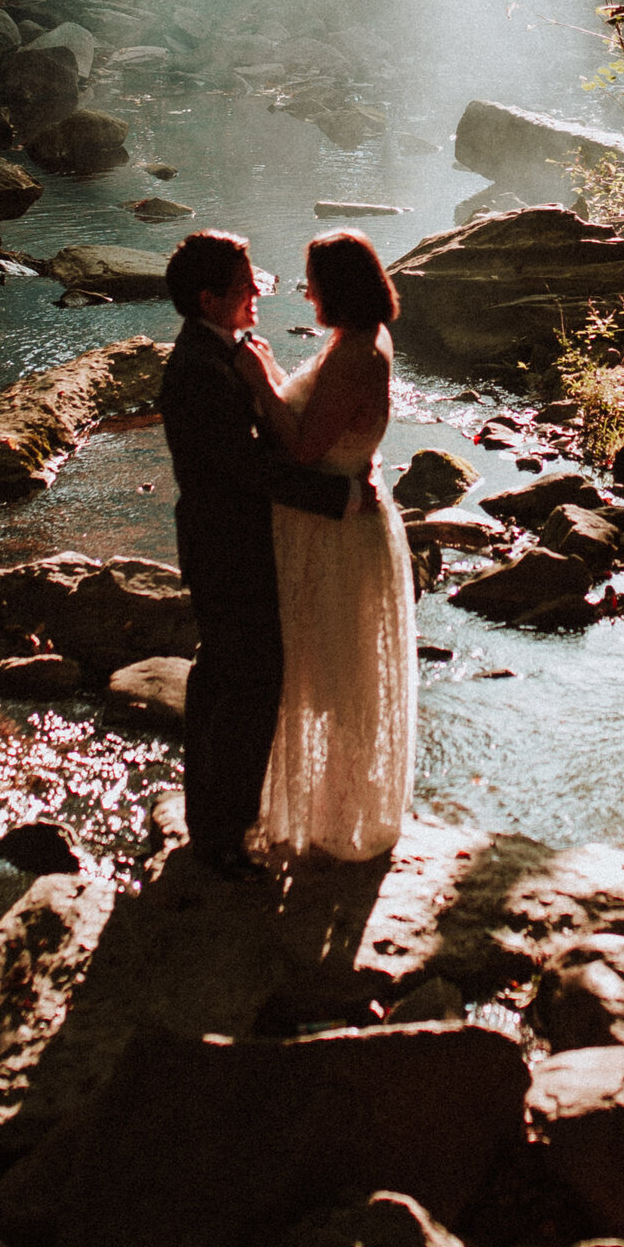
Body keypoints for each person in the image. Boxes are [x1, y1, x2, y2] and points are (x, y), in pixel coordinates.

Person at [158, 229, 356, 877]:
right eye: (247, 287)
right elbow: (248, 467)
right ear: (211, 299)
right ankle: (223, 836)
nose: (258, 294)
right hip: (226, 547)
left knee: (225, 678)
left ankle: (211, 823)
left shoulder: (221, 352)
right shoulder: (197, 370)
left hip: (229, 541)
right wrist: (340, 495)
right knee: (247, 685)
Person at [233, 227, 417, 864]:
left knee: (329, 674)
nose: (303, 288)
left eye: (312, 279)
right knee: (336, 669)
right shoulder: (362, 339)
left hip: (331, 531)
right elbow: (334, 421)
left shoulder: (353, 354)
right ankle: (333, 806)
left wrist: (259, 380)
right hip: (345, 515)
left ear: (335, 287)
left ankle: (334, 817)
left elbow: (307, 446)